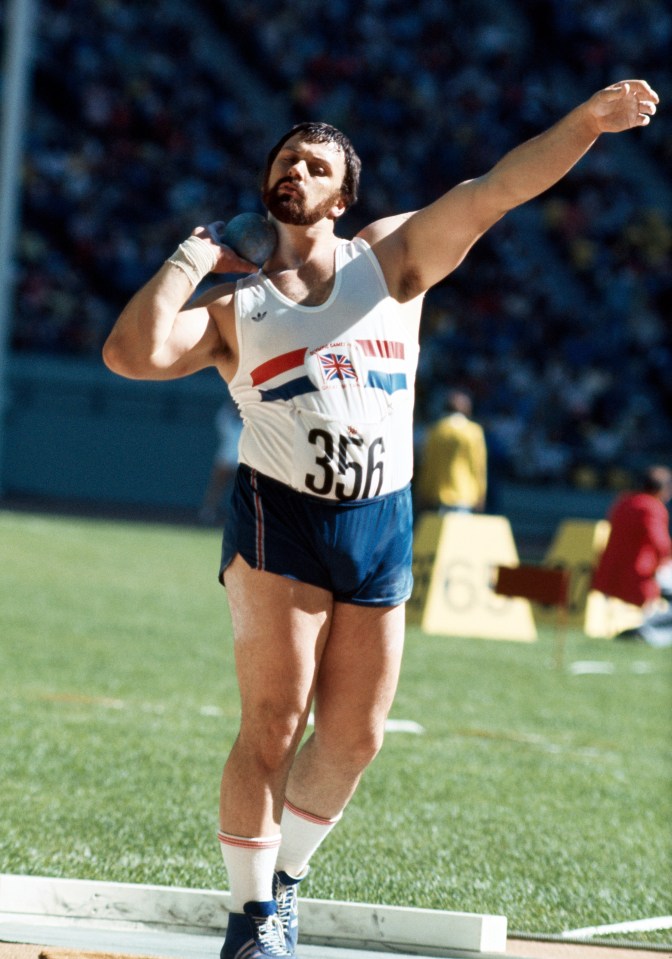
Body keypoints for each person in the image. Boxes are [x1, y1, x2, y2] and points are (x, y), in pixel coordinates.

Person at [102, 79, 658, 959]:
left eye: (318, 164)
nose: (298, 168)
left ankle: (282, 886)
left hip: (381, 519)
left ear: (344, 196)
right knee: (275, 724)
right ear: (268, 184)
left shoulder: (392, 258)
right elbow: (128, 353)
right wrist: (194, 255)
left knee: (355, 736)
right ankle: (249, 921)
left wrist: (587, 123)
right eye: (287, 159)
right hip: (278, 521)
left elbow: (497, 190)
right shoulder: (234, 309)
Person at [592, 464, 672, 647]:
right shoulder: (652, 507)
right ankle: (647, 633)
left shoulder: (624, 501)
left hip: (612, 567)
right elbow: (660, 544)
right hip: (638, 571)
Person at [415, 389, 487, 513]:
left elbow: (427, 465)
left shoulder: (436, 430)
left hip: (437, 494)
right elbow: (478, 467)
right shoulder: (474, 432)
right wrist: (481, 495)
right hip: (465, 495)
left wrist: (423, 492)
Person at [199, 399, 244, 524]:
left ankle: (240, 515)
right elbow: (222, 421)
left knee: (242, 491)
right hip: (225, 458)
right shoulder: (226, 418)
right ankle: (208, 512)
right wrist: (233, 407)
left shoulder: (249, 420)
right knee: (217, 486)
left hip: (242, 460)